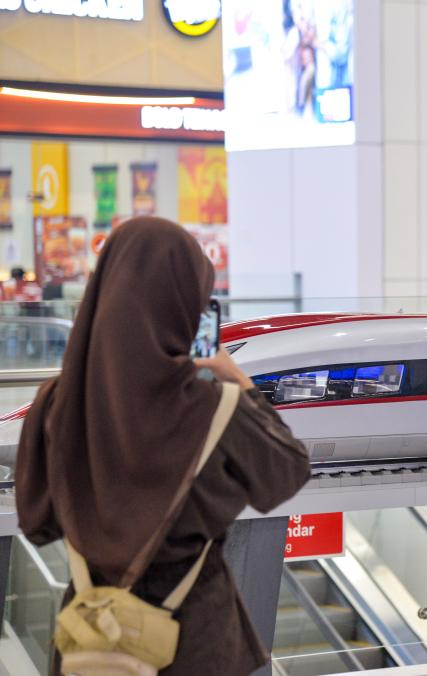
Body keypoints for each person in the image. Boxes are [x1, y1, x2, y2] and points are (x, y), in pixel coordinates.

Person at [15, 217, 311, 675]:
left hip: (93, 642)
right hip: (196, 643)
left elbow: (37, 524)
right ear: (184, 304)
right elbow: (287, 473)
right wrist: (235, 376)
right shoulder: (215, 409)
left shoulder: (55, 405)